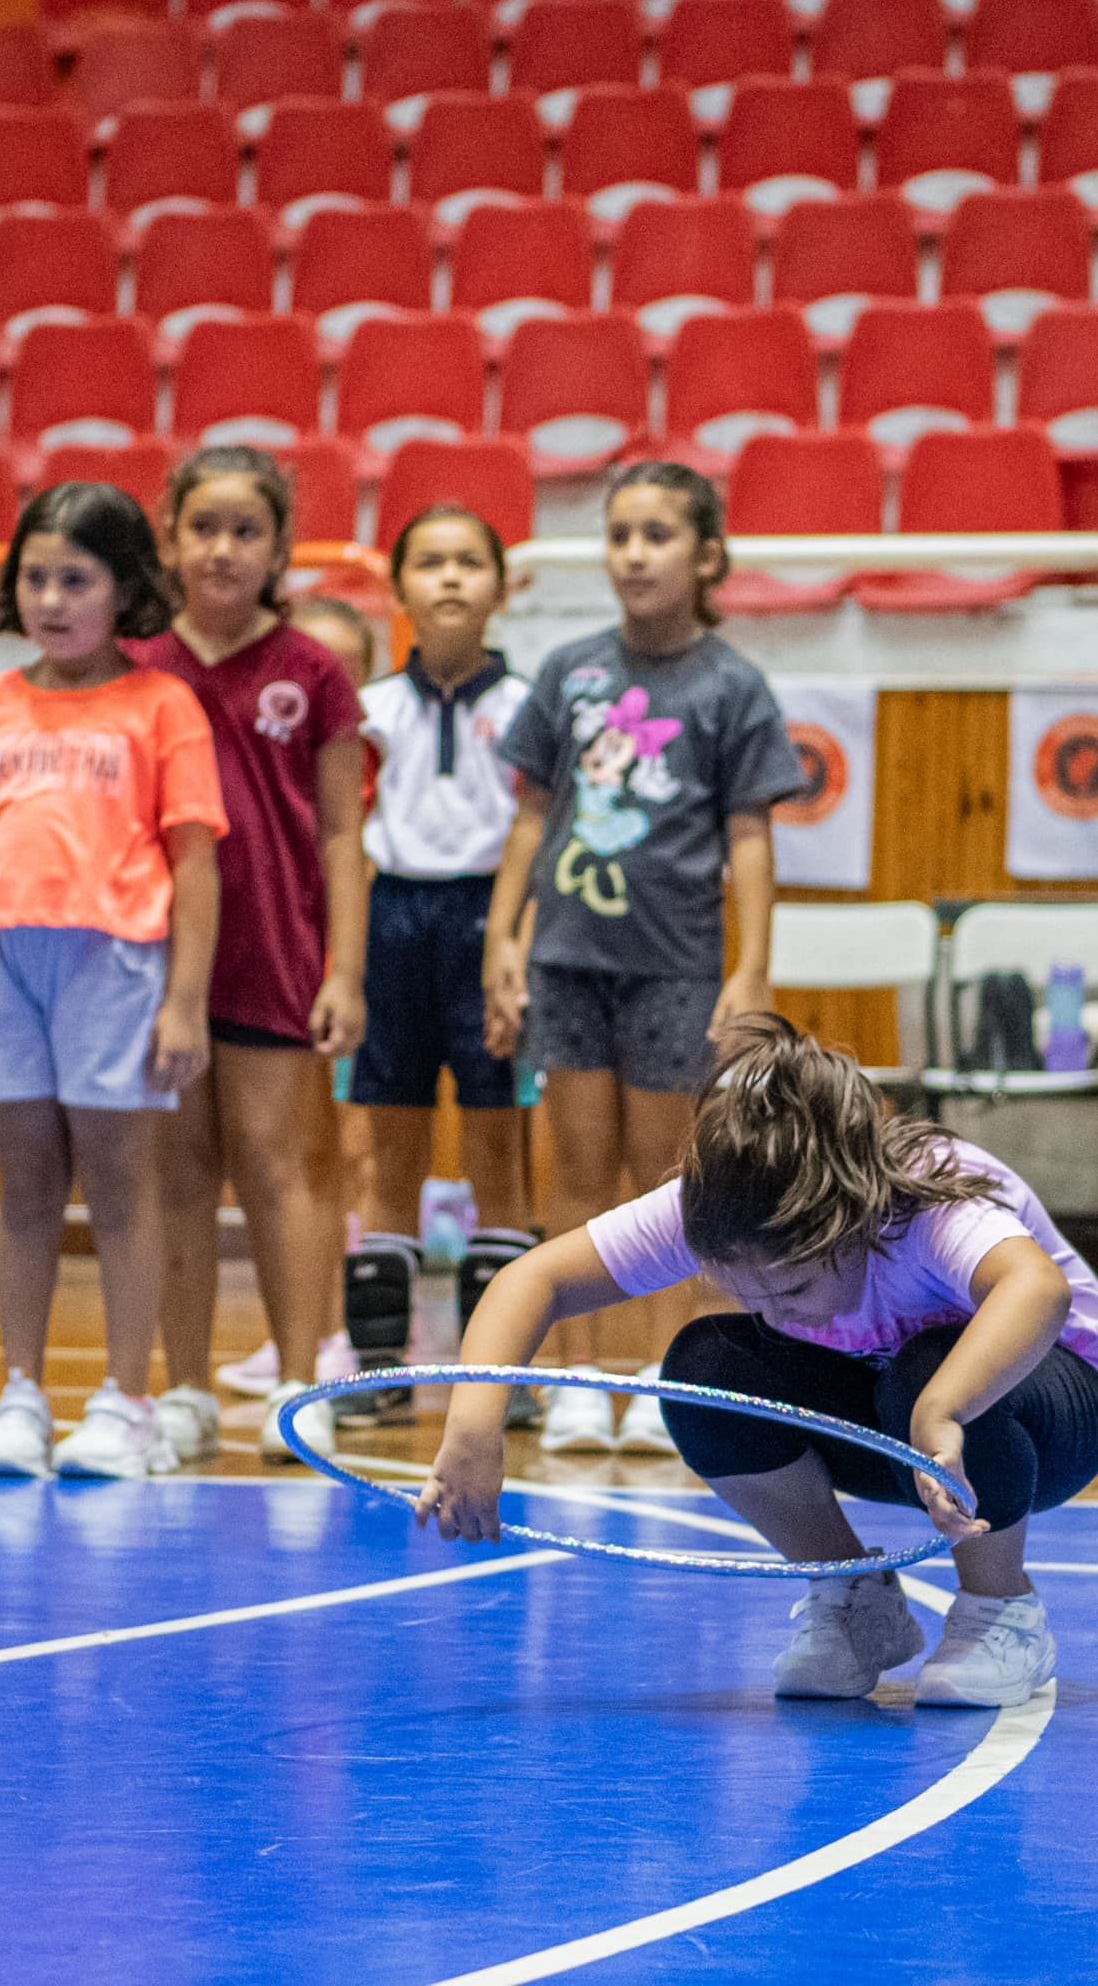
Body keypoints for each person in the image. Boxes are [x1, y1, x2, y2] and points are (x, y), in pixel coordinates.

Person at [415, 1016, 1098, 1709]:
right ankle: (854, 1597)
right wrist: (473, 1426)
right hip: (898, 1421)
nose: (779, 1312)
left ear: (851, 1224)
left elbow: (1035, 1290)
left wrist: (941, 1409)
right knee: (708, 1366)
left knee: (930, 1370)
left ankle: (1000, 1610)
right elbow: (531, 1280)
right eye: (746, 1288)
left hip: (1057, 1410)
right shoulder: (725, 1205)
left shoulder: (922, 1196)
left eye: (794, 1286)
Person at [483, 462, 803, 1455]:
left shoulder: (730, 685)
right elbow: (535, 817)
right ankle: (580, 1375)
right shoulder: (570, 669)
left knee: (672, 1183)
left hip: (676, 965)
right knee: (577, 1172)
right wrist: (505, 934)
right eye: (618, 534)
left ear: (705, 555)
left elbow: (750, 836)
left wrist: (749, 970)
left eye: (656, 535)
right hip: (571, 959)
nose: (632, 554)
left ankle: (667, 1374)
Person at [0, 483, 226, 1480]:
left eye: (75, 578)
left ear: (125, 587)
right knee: (27, 1186)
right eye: (35, 576)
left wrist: (184, 998)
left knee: (120, 1185)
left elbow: (195, 863)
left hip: (114, 958)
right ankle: (21, 1393)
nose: (51, 597)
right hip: (0, 956)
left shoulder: (162, 704)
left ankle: (126, 1399)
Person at [136, 447, 368, 1467]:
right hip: (158, 965)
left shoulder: (312, 669)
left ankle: (299, 1381)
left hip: (278, 954)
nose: (223, 548)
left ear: (279, 546)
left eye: (245, 530)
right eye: (204, 527)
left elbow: (342, 835)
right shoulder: (138, 665)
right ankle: (182, 1388)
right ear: (171, 537)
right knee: (176, 1174)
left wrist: (345, 967)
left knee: (285, 1172)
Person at [344, 507, 543, 1424]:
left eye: (472, 561)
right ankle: (379, 1366)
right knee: (393, 1151)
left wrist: (519, 942)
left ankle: (500, 1378)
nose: (452, 579)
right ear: (398, 589)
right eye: (431, 562)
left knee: (499, 1147)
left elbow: (544, 837)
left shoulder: (534, 706)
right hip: (393, 919)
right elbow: (342, 837)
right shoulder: (369, 710)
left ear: (504, 587)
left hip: (490, 923)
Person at [214, 594, 376, 1400]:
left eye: (350, 665)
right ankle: (313, 1334)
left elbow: (351, 850)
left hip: (326, 965)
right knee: (297, 1156)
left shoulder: (353, 767)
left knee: (336, 1156)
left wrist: (344, 968)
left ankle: (329, 1337)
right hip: (279, 965)